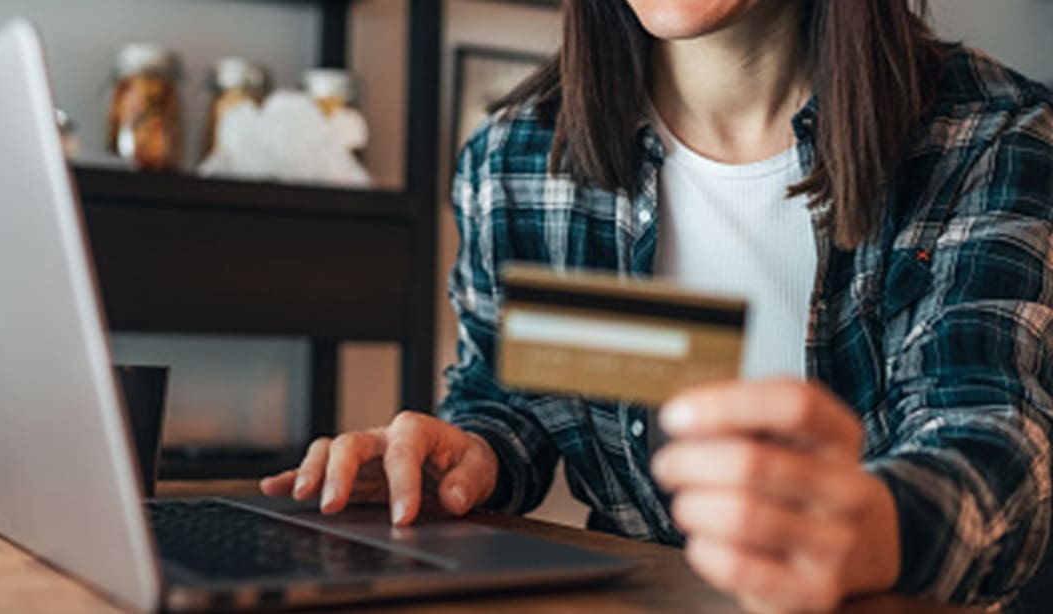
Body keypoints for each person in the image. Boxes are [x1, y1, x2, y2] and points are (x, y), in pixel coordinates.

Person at [261, 0, 1053, 610]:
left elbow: (992, 440)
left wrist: (875, 528)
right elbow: (520, 402)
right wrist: (469, 453)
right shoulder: (516, 156)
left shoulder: (989, 138)